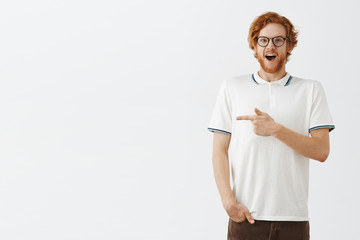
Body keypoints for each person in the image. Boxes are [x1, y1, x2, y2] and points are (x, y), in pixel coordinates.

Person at [207, 11, 335, 240]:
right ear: (255, 46)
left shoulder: (311, 90)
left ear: (289, 46)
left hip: (293, 220)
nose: (271, 46)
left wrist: (275, 129)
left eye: (279, 40)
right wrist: (228, 203)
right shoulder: (232, 88)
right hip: (245, 217)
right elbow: (219, 150)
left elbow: (321, 150)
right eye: (263, 40)